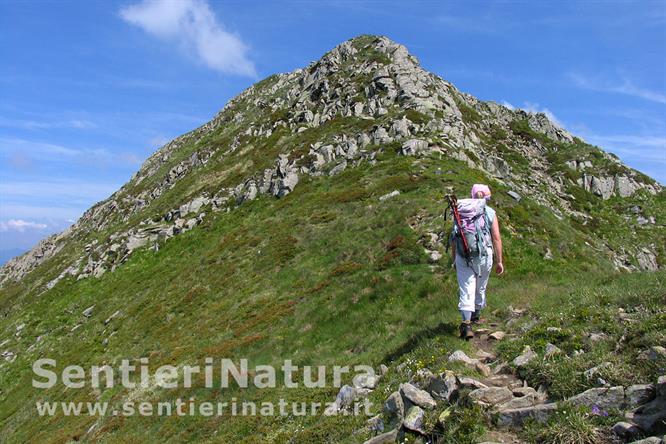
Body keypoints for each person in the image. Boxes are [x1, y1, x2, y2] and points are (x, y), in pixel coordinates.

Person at [451, 184, 504, 339]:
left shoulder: (461, 211)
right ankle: (476, 315)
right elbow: (496, 238)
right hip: (484, 255)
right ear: (487, 197)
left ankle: (466, 323)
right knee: (480, 286)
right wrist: (499, 261)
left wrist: (454, 259)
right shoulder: (490, 212)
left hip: (463, 254)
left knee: (466, 288)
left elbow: (454, 237)